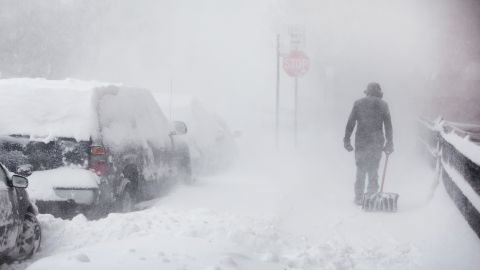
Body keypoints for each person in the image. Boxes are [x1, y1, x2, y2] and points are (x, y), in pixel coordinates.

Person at [344, 82, 393, 205]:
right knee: (373, 168)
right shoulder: (383, 105)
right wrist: (389, 143)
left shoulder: (358, 104)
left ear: (367, 92)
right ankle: (371, 197)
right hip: (376, 142)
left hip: (361, 141)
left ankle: (359, 197)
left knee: (360, 168)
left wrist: (347, 140)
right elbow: (388, 126)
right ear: (379, 92)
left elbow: (350, 123)